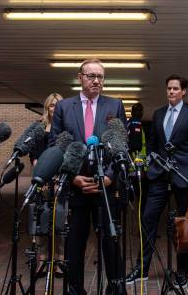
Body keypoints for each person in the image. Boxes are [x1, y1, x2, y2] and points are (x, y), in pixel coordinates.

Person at [49, 59, 127, 295]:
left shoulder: (115, 105)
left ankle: (115, 289)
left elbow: (121, 146)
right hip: (76, 188)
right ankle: (74, 290)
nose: (96, 81)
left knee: (111, 243)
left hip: (105, 187)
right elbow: (56, 146)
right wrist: (72, 177)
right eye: (91, 76)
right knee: (74, 245)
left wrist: (110, 177)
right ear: (80, 77)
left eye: (100, 77)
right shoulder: (64, 107)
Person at [126, 74, 188, 288]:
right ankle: (141, 269)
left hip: (183, 177)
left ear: (183, 91)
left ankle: (181, 271)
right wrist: (152, 162)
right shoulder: (158, 114)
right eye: (169, 88)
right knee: (148, 219)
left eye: (175, 89)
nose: (171, 92)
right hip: (159, 176)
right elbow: (151, 145)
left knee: (183, 226)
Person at [31, 92, 63, 166]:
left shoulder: (66, 126)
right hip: (40, 167)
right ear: (47, 107)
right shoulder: (39, 125)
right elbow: (33, 147)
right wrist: (34, 160)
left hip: (58, 168)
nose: (55, 108)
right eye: (52, 105)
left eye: (58, 105)